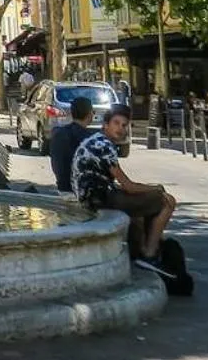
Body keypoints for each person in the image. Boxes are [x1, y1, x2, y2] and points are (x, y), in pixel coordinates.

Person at [71, 105, 177, 273]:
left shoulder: (96, 139)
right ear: (106, 125)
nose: (120, 128)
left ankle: (142, 250)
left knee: (142, 209)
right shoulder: (104, 145)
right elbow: (127, 185)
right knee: (167, 201)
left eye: (124, 125)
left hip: (92, 196)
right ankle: (149, 255)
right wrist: (155, 188)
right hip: (100, 199)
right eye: (116, 123)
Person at [48, 96, 98, 192]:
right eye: (93, 111)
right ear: (89, 114)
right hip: (82, 191)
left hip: (63, 187)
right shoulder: (90, 139)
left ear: (71, 113)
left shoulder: (58, 133)